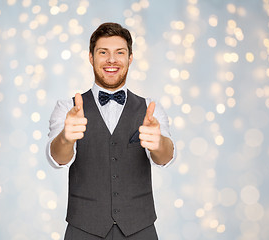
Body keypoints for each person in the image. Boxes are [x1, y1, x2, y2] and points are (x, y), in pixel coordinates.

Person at [46, 22, 176, 240]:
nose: (112, 60)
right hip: (83, 229)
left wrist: (158, 143)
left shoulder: (150, 108)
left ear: (130, 58)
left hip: (140, 229)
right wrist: (66, 139)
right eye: (103, 52)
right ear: (91, 57)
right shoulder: (67, 108)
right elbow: (57, 158)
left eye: (120, 53)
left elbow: (166, 157)